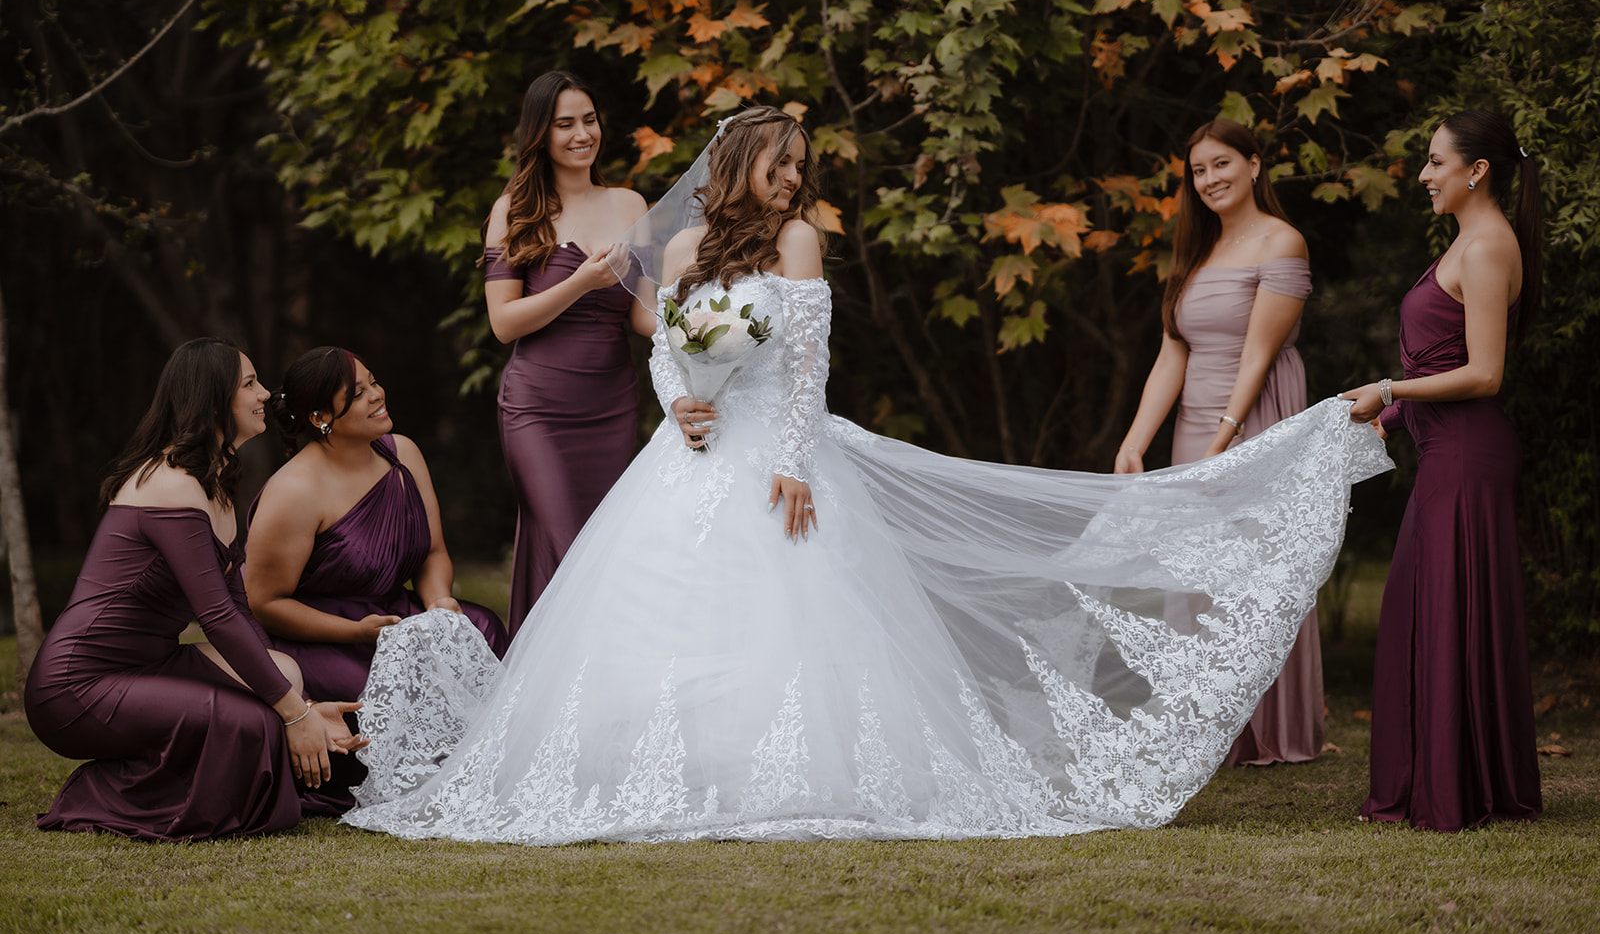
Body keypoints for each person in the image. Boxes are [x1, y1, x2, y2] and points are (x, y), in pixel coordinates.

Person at [341, 106, 1390, 845]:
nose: (795, 177)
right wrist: (677, 397)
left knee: (793, 608)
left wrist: (795, 462)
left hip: (778, 451)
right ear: (743, 157)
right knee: (658, 608)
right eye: (782, 160)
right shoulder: (691, 238)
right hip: (690, 450)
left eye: (802, 163)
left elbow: (807, 358)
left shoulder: (799, 237)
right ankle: (671, 767)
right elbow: (661, 339)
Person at [24, 338, 363, 840]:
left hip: (147, 663)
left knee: (285, 673)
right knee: (260, 724)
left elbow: (237, 607)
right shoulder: (171, 484)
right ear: (213, 401)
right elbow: (217, 619)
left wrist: (302, 705)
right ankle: (96, 793)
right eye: (250, 384)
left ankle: (185, 773)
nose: (266, 393)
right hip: (77, 684)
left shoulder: (213, 482)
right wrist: (293, 717)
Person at [1341, 108, 1544, 831]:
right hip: (1444, 452)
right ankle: (1454, 779)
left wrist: (1390, 389)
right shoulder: (1469, 241)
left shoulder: (1489, 246)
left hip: (1467, 456)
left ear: (1476, 170)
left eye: (1434, 161)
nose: (1424, 176)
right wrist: (1374, 408)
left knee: (1439, 611)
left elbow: (1485, 373)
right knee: (1424, 610)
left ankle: (1457, 788)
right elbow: (1437, 365)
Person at [1113, 119, 1322, 766]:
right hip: (1194, 426)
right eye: (1198, 171)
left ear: (1255, 164)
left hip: (1254, 421)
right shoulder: (1195, 254)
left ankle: (1273, 730)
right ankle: (1210, 724)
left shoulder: (1281, 241)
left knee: (1255, 571)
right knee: (1198, 571)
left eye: (1222, 163)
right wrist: (1134, 440)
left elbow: (1258, 354)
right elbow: (1172, 353)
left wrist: (1226, 440)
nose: (1209, 179)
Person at [243, 346, 510, 812]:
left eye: (374, 381)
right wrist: (355, 631)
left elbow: (432, 551)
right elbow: (265, 603)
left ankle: (494, 759)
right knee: (380, 693)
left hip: (396, 614)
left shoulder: (401, 454)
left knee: (481, 628)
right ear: (322, 416)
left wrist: (438, 603)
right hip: (323, 634)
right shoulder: (294, 491)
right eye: (358, 392)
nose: (377, 395)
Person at [482, 70, 658, 634]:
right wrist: (580, 282)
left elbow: (643, 316)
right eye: (565, 124)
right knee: (564, 545)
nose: (583, 134)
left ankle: (595, 694)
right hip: (538, 407)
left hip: (611, 405)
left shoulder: (631, 202)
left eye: (589, 120)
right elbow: (504, 324)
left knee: (606, 550)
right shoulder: (513, 210)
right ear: (541, 134)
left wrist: (714, 332)